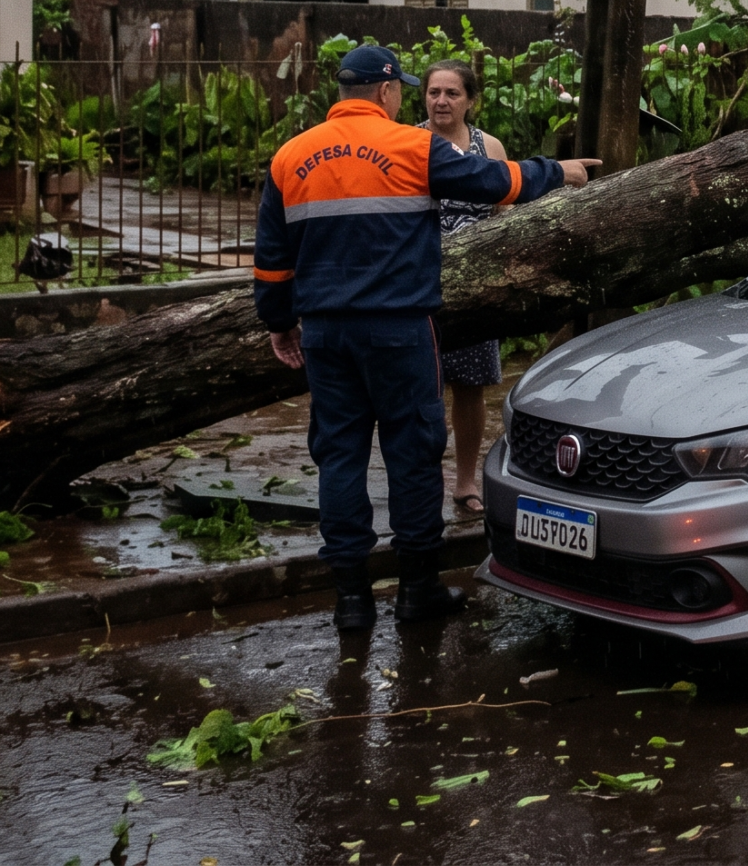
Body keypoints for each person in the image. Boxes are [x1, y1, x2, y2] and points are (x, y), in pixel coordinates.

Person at [255, 44, 597, 634]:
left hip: (327, 335)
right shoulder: (411, 146)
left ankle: (351, 601)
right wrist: (557, 171)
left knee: (339, 456)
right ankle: (417, 592)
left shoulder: (291, 156)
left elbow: (271, 259)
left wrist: (279, 322)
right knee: (413, 456)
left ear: (342, 92)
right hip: (399, 329)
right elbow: (495, 181)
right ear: (387, 92)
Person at [424, 60, 507, 518]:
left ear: (470, 100)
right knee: (425, 390)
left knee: (471, 389)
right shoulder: (410, 143)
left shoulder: (487, 147)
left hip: (477, 289)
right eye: (434, 92)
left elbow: (500, 213)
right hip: (423, 286)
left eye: (452, 93)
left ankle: (466, 482)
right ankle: (423, 481)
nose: (441, 101)